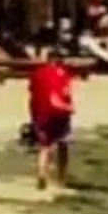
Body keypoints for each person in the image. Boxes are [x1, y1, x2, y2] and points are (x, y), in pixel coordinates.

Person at [27, 52, 76, 193]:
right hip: (60, 113)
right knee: (63, 145)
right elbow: (65, 92)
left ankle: (42, 174)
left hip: (40, 114)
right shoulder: (63, 74)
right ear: (60, 61)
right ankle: (61, 177)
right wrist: (70, 108)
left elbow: (32, 92)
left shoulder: (37, 73)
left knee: (44, 147)